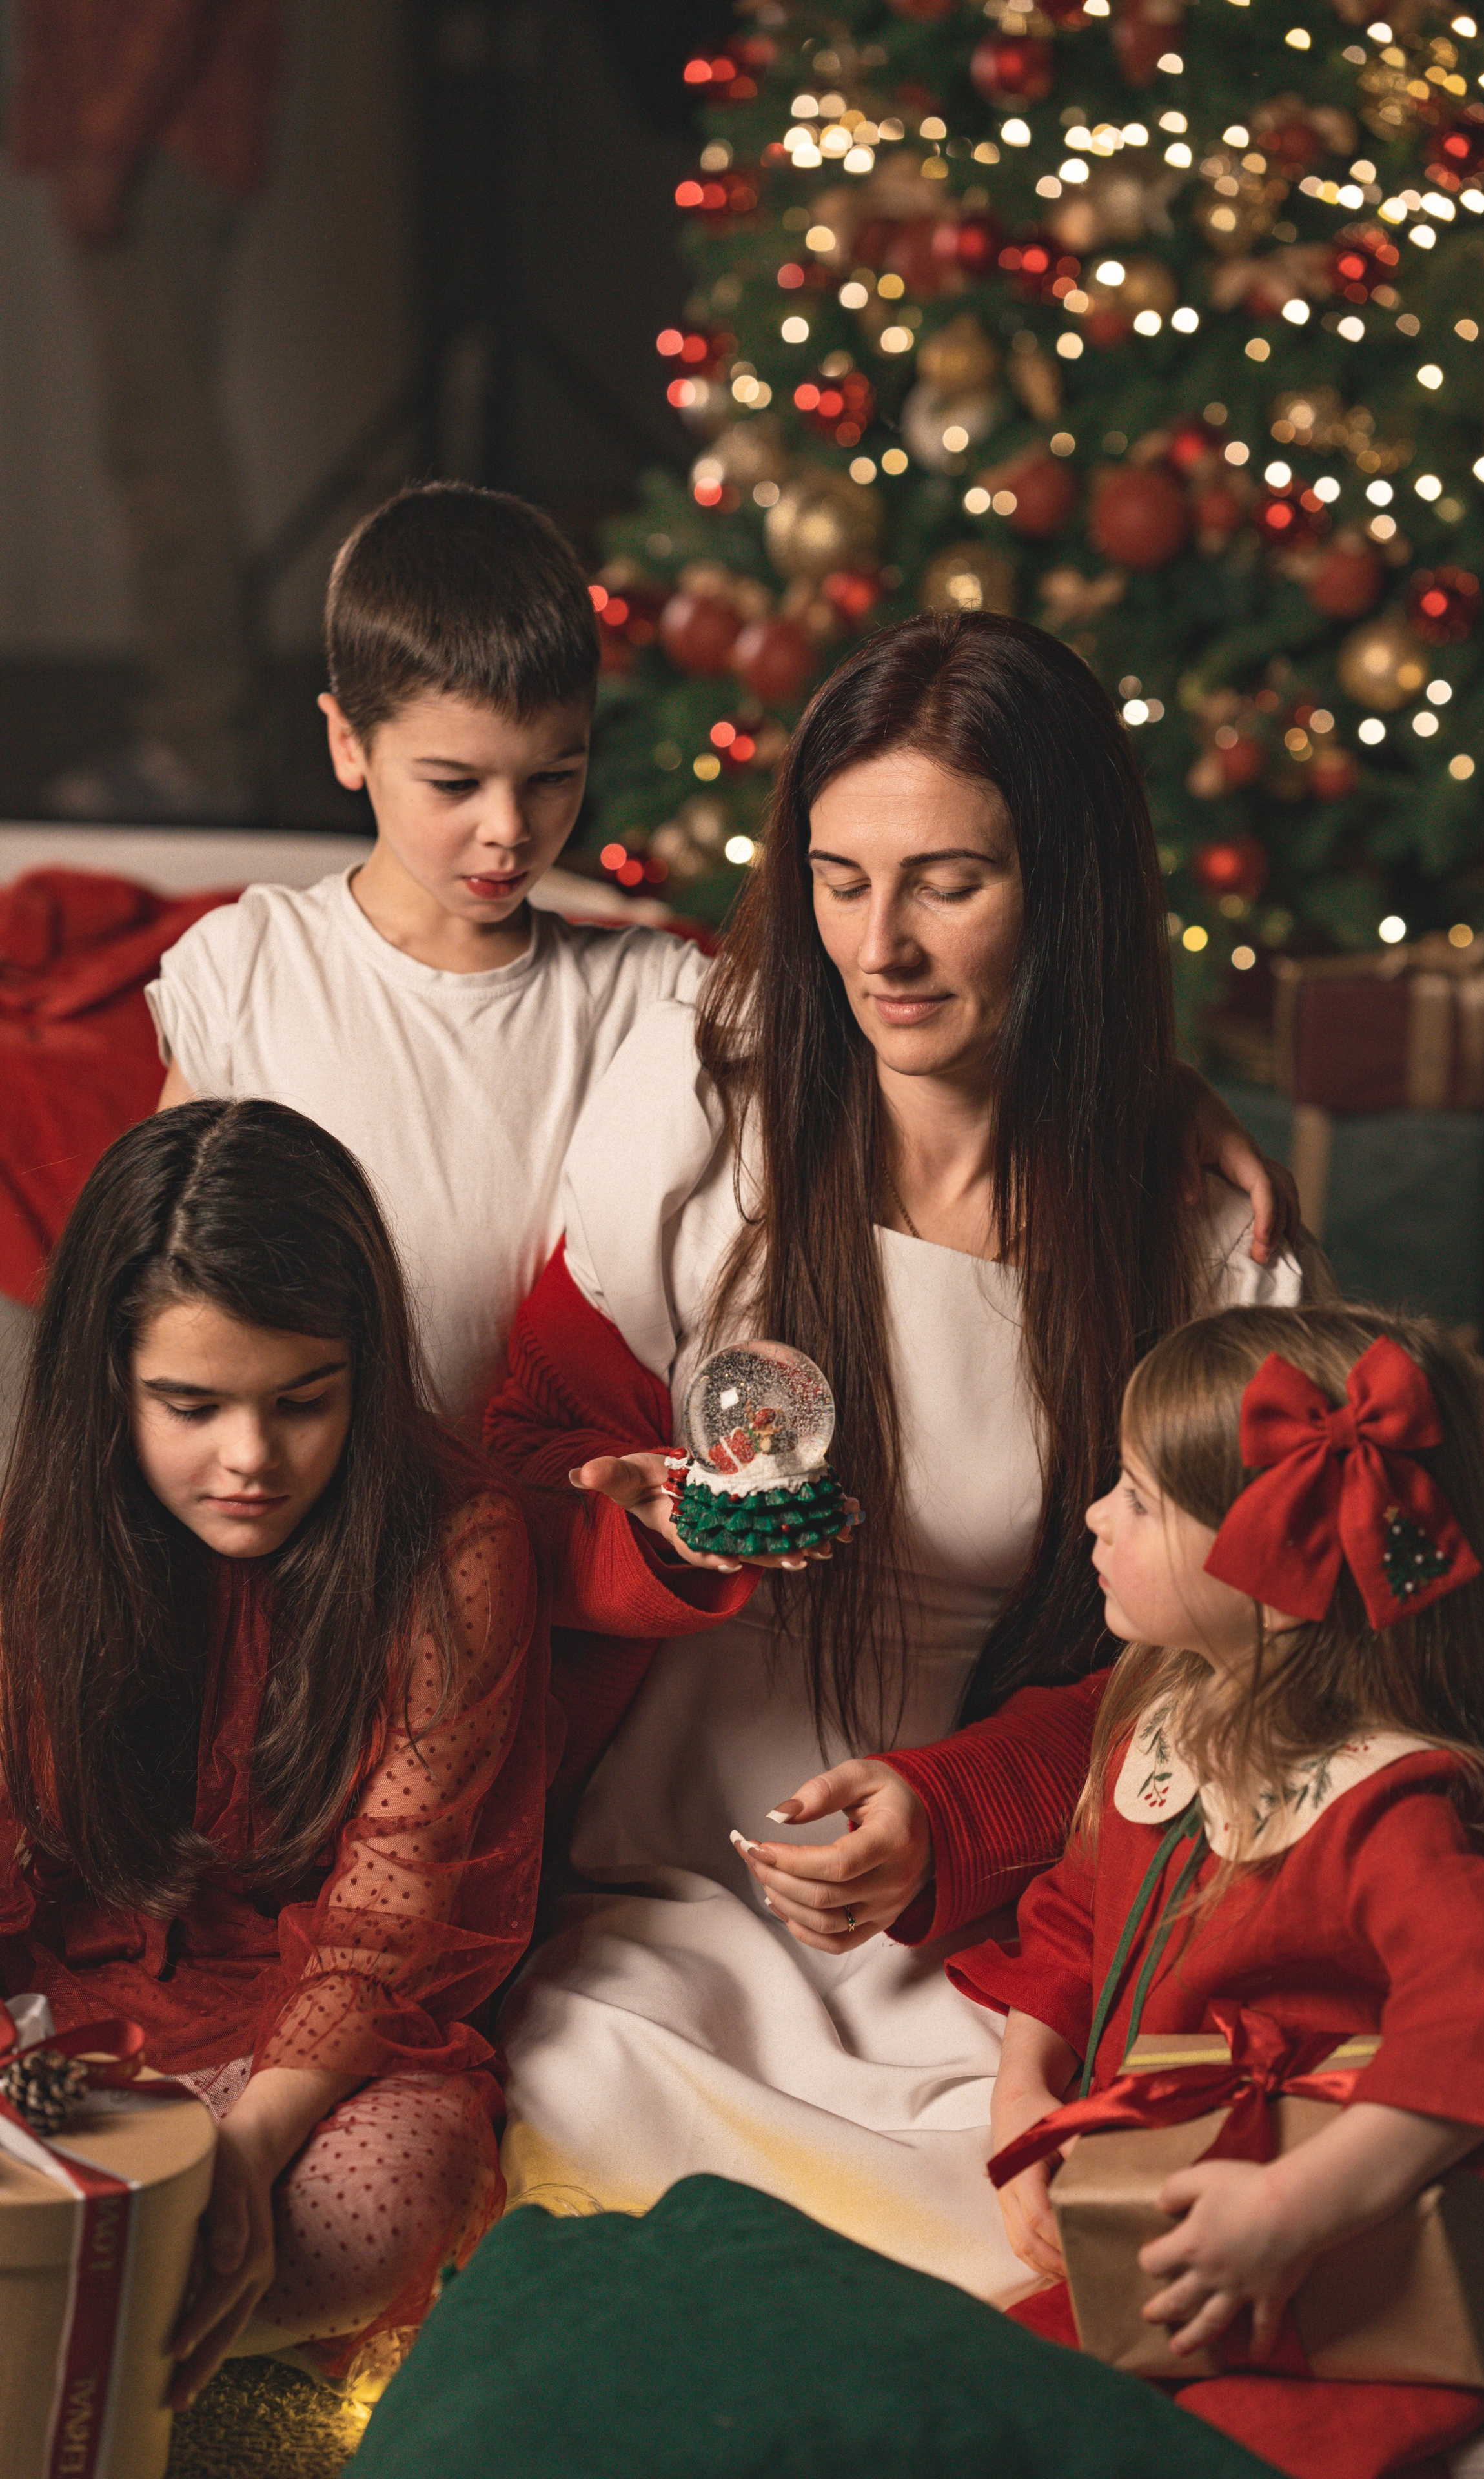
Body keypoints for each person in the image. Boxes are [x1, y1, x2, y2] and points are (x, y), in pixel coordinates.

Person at [487, 607, 1323, 2303]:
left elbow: (1236, 1669)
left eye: (950, 880)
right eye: (839, 875)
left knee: (1063, 2219)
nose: (882, 947)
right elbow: (507, 1479)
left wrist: (956, 1815)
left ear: (1067, 890)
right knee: (589, 2099)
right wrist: (649, 1540)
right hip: (653, 1870)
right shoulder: (703, 1114)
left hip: (988, 1904)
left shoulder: (1195, 1240)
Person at [956, 1303, 1484, 2477]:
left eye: (1135, 1497)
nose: (1093, 1516)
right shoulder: (1162, 1718)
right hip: (1198, 2181)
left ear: (1274, 1563)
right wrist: (1024, 2088)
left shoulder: (1385, 1808)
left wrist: (1299, 2213)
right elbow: (1085, 1919)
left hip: (1367, 2233)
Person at [0, 1099, 547, 2406]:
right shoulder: (39, 1539)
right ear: (108, 1382)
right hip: (59, 2006)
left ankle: (93, 2309)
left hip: (315, 2047)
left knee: (368, 2223)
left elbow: (390, 1918)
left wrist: (240, 2163)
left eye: (303, 1404)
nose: (249, 1461)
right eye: (188, 1406)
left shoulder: (457, 1545)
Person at [145, 480, 710, 1431]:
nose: (509, 830)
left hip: (540, 1504)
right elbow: (162, 1268)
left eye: (553, 779)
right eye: (455, 782)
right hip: (306, 1508)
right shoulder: (250, 967)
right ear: (347, 743)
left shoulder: (650, 995)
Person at [9, 0, 283, 820]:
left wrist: (105, 139)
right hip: (152, 135)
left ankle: (201, 749)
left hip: (160, 143)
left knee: (163, 450)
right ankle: (202, 739)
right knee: (158, 445)